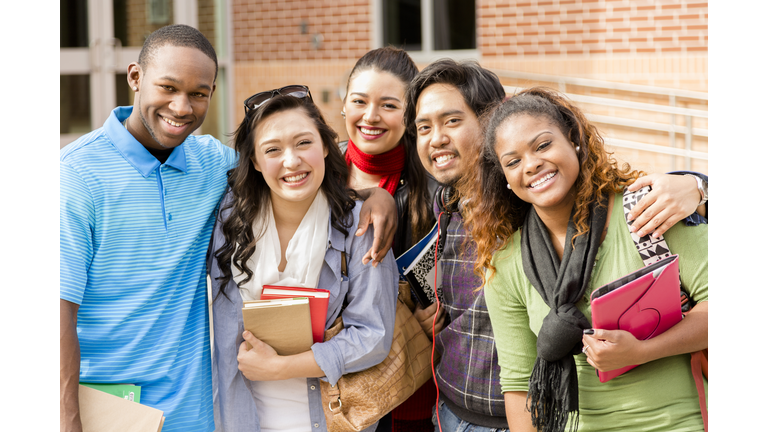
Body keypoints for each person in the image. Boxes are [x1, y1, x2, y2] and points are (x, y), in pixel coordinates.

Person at [60, 25, 396, 432]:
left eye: (198, 93)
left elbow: (293, 171)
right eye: (168, 88)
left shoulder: (209, 163)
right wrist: (66, 419)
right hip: (110, 406)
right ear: (135, 77)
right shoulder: (74, 176)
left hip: (199, 409)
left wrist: (373, 196)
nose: (181, 107)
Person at [402, 59, 708, 432]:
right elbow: (518, 385)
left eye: (543, 145)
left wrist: (644, 350)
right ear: (506, 180)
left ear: (574, 141)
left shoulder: (646, 212)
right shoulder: (504, 258)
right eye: (513, 161)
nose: (531, 164)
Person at [209, 92, 398, 431]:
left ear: (326, 146)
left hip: (329, 418)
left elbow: (372, 334)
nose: (292, 161)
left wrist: (281, 368)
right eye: (273, 150)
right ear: (253, 160)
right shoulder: (228, 223)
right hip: (240, 417)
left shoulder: (360, 226)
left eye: (303, 143)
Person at [340, 46, 439, 431]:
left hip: (408, 390)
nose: (370, 117)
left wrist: (435, 318)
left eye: (388, 105)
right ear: (344, 105)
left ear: (410, 115)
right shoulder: (317, 176)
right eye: (359, 101)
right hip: (331, 387)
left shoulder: (433, 190)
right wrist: (366, 193)